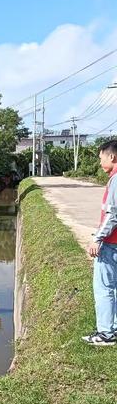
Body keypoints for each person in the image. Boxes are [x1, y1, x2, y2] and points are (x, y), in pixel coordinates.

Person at [83, 140, 117, 346]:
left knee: (104, 287)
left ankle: (105, 334)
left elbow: (113, 214)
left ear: (112, 157)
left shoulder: (116, 180)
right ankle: (112, 328)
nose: (100, 162)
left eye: (101, 157)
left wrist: (98, 238)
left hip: (111, 243)